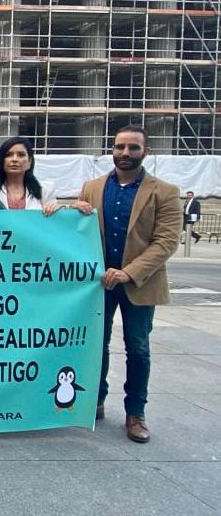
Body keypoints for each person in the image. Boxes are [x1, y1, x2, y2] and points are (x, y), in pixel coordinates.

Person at [73, 124, 182, 443]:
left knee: (138, 348)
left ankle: (136, 412)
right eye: (120, 147)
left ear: (145, 151)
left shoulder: (164, 191)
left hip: (140, 284)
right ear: (112, 148)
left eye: (133, 147)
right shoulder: (91, 187)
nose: (125, 153)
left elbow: (166, 242)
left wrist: (128, 272)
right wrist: (70, 211)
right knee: (96, 344)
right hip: (99, 285)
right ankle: (95, 400)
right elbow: (79, 232)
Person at [0, 136, 59, 214]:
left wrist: (55, 209)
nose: (14, 159)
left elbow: (54, 221)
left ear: (29, 162)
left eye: (21, 155)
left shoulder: (45, 190)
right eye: (8, 155)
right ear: (1, 160)